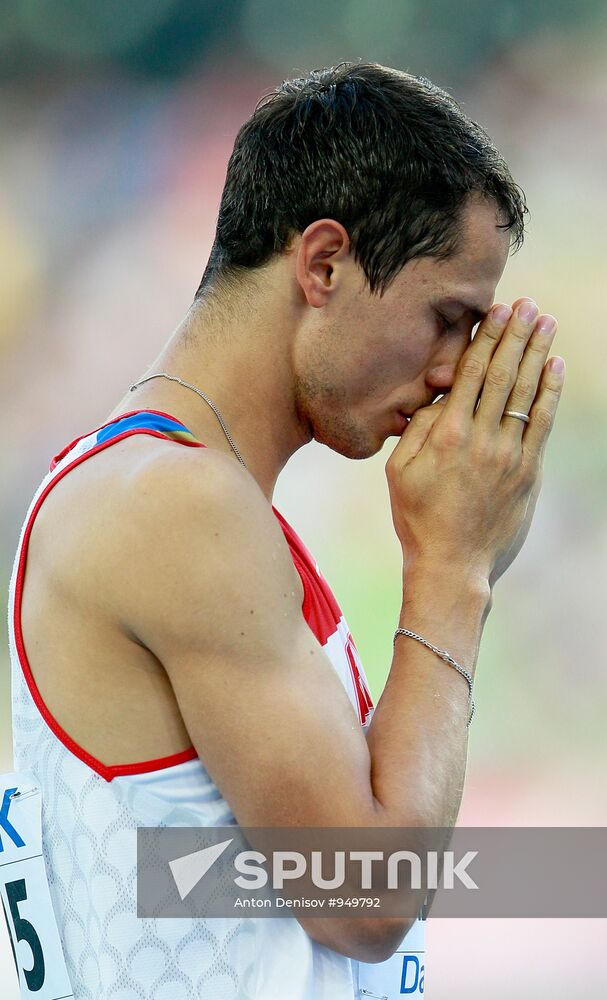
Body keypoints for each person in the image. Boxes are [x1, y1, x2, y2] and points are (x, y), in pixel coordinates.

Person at [5, 62, 563, 998]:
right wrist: (454, 568)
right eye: (447, 317)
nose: (449, 374)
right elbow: (369, 899)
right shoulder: (174, 509)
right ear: (324, 263)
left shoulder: (185, 496)